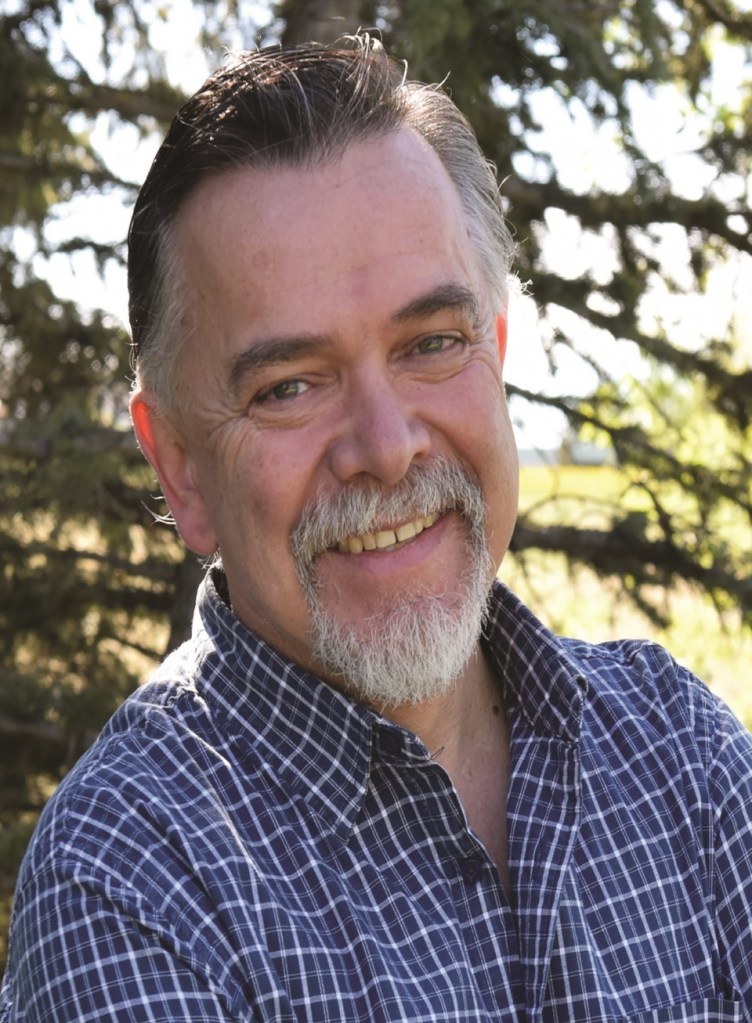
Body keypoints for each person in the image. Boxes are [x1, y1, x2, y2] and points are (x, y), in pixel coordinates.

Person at [2, 34, 752, 1023]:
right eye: (289, 386)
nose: (388, 448)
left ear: (493, 352)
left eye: (430, 342)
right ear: (178, 465)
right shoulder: (130, 881)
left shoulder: (677, 749)